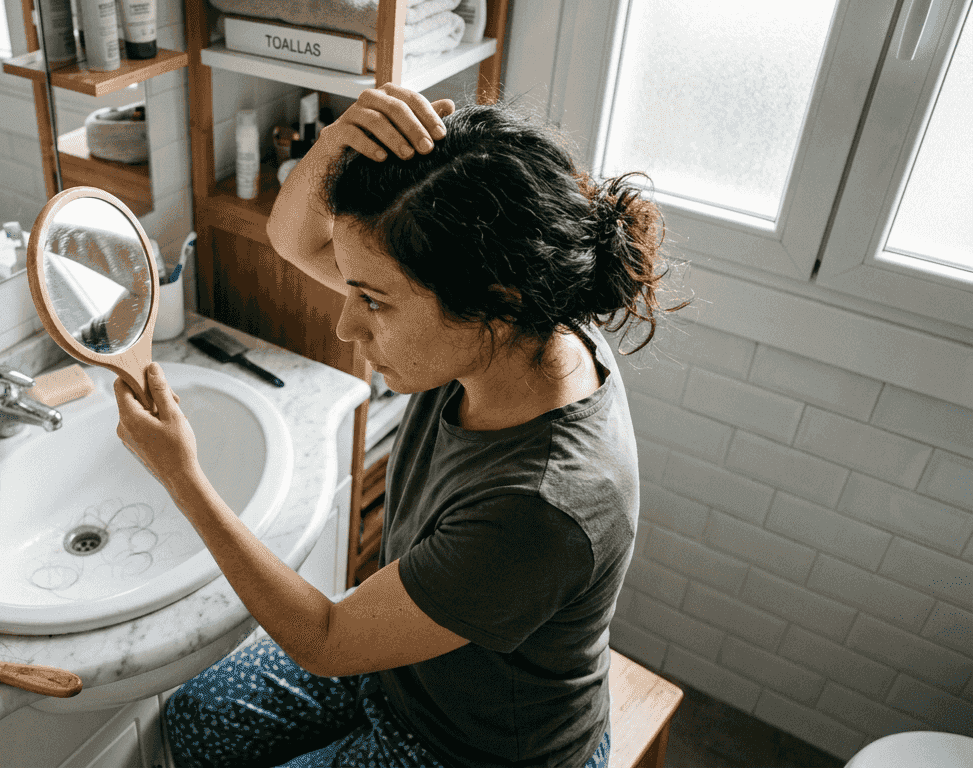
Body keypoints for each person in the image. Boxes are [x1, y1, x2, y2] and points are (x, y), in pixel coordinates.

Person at [113, 83, 684, 767]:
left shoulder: (543, 506)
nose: (345, 325)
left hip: (479, 752)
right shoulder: (527, 327)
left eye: (374, 302)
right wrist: (337, 142)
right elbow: (292, 239)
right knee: (198, 719)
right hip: (406, 680)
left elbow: (326, 637)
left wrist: (183, 477)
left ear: (494, 303)